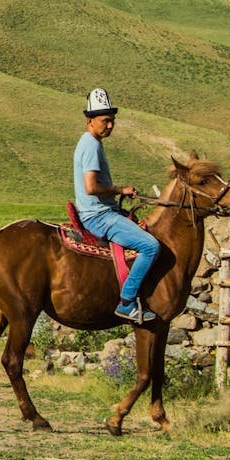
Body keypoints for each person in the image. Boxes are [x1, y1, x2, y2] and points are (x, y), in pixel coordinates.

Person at [73, 87, 161, 323]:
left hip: (101, 211)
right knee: (150, 246)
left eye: (112, 121)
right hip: (98, 216)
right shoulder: (91, 144)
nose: (110, 125)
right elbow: (91, 187)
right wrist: (121, 190)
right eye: (105, 120)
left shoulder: (90, 142)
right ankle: (127, 302)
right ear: (90, 120)